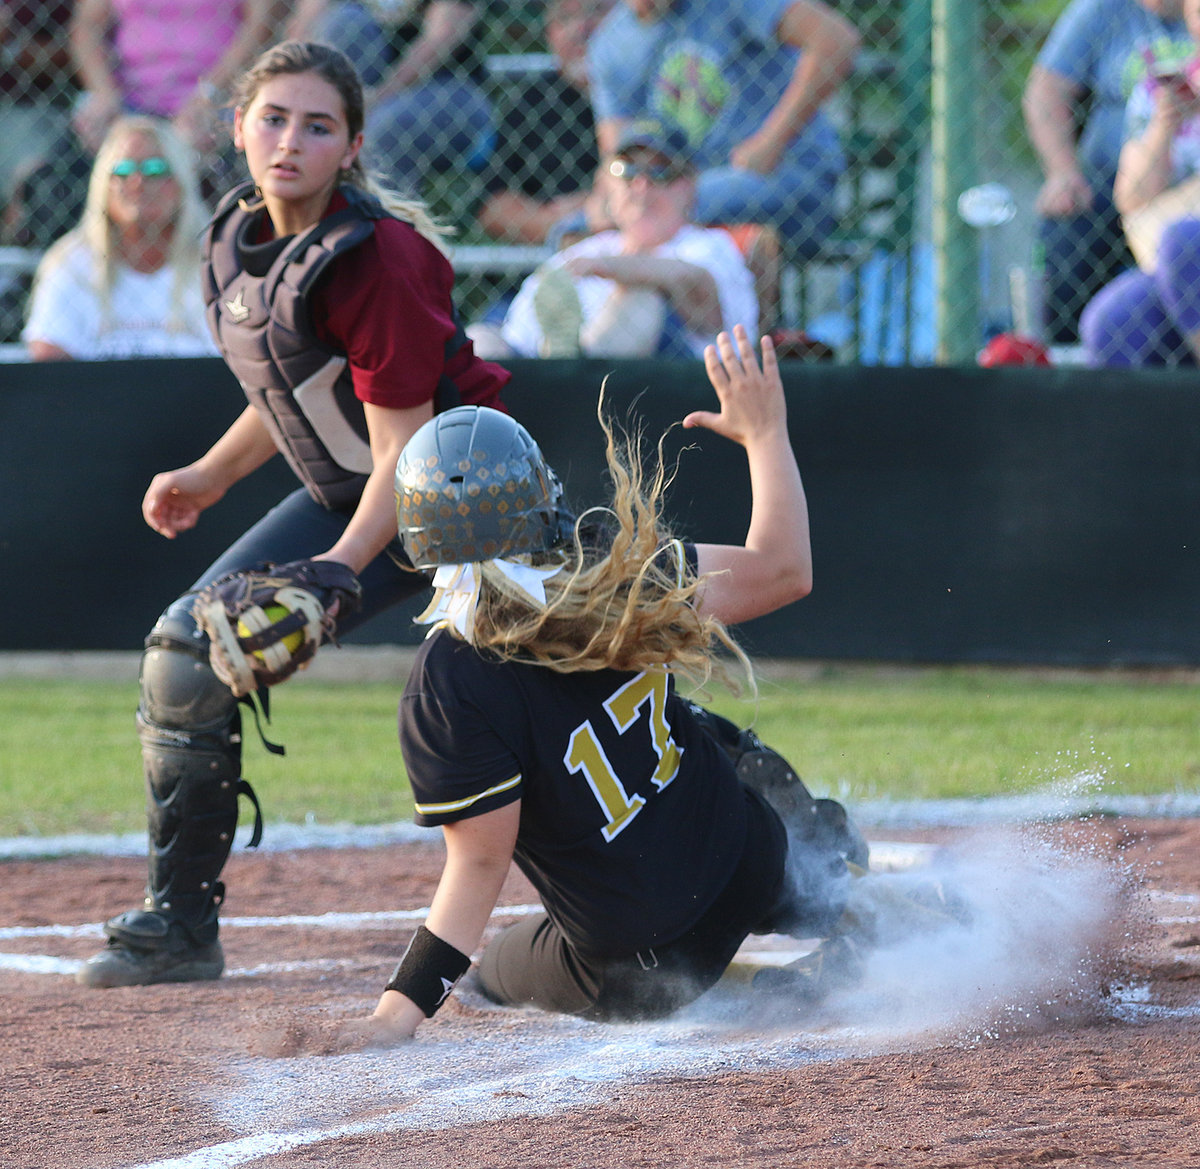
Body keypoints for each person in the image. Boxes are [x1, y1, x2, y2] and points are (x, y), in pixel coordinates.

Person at [75, 40, 511, 990]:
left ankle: (776, 820)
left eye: (318, 126)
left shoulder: (379, 261)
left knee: (582, 671)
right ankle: (180, 925)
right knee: (188, 651)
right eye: (273, 119)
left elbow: (407, 455)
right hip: (355, 496)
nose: (290, 141)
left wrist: (341, 568)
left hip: (470, 503)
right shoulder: (240, 244)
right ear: (237, 130)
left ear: (351, 147)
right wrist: (208, 475)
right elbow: (288, 391)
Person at [322, 324, 869, 1046]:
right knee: (712, 737)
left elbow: (481, 861)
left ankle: (763, 991)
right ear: (535, 492)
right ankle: (844, 897)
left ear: (420, 535)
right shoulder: (606, 564)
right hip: (750, 859)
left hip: (649, 961)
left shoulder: (446, 682)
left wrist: (399, 1008)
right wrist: (766, 432)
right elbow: (785, 567)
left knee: (495, 973)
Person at [553, 0, 859, 260]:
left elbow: (835, 39)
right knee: (573, 231)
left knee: (657, 216)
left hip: (785, 179)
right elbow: (617, 152)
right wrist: (604, 199)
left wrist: (772, 140)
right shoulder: (611, 42)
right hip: (679, 192)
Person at [469, 121, 758, 359]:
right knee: (479, 340)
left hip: (670, 392)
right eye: (627, 171)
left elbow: (693, 284)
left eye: (661, 172)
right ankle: (564, 367)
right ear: (608, 184)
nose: (642, 186)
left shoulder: (709, 245)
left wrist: (604, 267)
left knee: (642, 297)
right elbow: (518, 335)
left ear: (689, 185)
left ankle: (578, 370)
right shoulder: (586, 251)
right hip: (550, 388)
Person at [1022, 0, 1191, 345]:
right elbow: (1045, 91)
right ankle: (1065, 355)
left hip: (1192, 184)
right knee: (1071, 228)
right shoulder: (1103, 9)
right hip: (1114, 180)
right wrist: (1063, 173)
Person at [21, 115, 216, 360]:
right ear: (103, 184)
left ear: (181, 181)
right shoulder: (71, 264)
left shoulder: (217, 262)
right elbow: (47, 357)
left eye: (155, 169)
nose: (137, 182)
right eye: (122, 170)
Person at [286, 0, 494, 194]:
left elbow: (439, 39)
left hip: (448, 90)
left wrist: (374, 100)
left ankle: (373, 225)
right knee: (344, 23)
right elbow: (307, 22)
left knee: (385, 128)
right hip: (365, 86)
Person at [474, 0, 613, 246]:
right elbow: (493, 206)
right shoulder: (530, 103)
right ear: (549, 33)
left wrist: (603, 209)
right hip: (555, 258)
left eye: (596, 11)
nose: (581, 29)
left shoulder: (655, 93)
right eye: (565, 19)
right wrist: (563, 226)